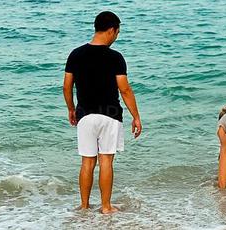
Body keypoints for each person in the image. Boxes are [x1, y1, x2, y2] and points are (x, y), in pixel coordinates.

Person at [63, 11, 142, 214]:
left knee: (87, 162)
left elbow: (66, 86)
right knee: (106, 160)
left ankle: (84, 206)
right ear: (111, 30)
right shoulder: (115, 57)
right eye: (116, 33)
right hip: (110, 115)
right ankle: (106, 207)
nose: (116, 37)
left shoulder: (76, 54)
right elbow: (124, 89)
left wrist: (71, 109)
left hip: (85, 116)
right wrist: (136, 116)